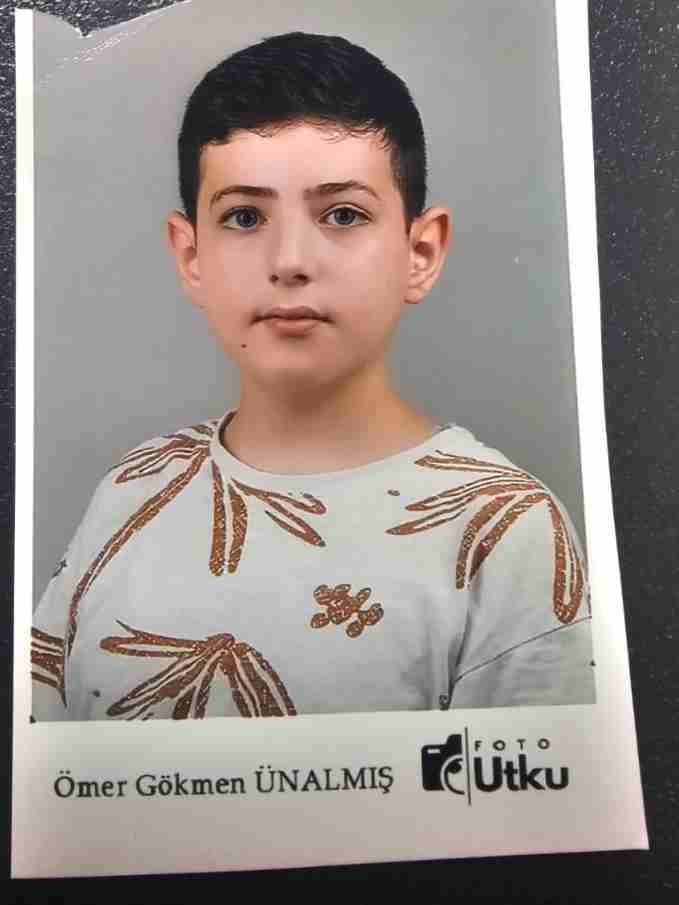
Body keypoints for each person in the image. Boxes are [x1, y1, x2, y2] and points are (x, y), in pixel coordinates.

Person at [31, 32, 594, 721]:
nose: (290, 260)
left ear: (420, 252)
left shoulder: (506, 531)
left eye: (342, 214)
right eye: (244, 217)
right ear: (190, 256)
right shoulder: (133, 488)